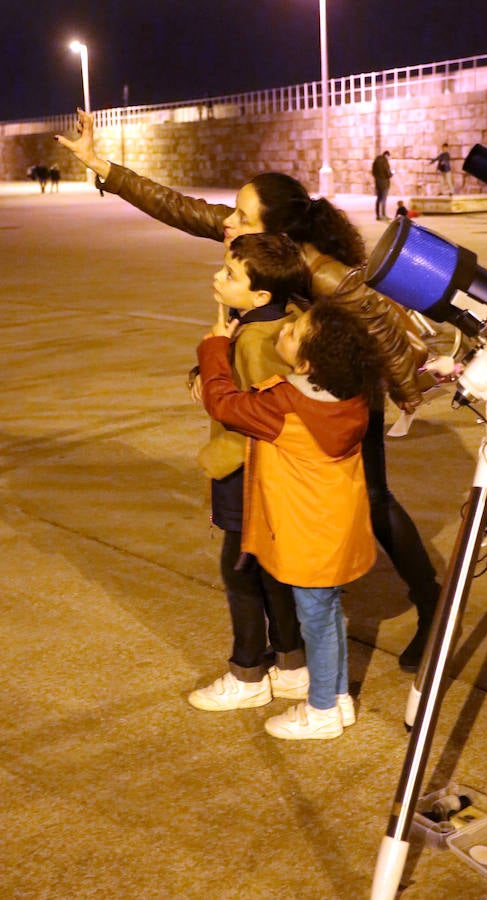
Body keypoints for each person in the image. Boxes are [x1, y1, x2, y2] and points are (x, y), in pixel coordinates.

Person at [56, 109, 441, 672]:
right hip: (288, 385)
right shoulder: (261, 247)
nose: (226, 222)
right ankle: (297, 626)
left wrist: (409, 391)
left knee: (374, 498)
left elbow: (381, 324)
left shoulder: (322, 271)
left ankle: (430, 600)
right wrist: (103, 168)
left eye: (240, 215)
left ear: (276, 233)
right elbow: (183, 209)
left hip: (341, 382)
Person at [198, 300, 383, 739]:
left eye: (295, 330)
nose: (284, 329)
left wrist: (214, 348)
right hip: (337, 526)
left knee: (316, 620)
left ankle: (319, 712)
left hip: (306, 532)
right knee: (329, 613)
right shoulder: (348, 395)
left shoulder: (286, 405)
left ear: (305, 361)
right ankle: (336, 697)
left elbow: (222, 404)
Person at [188, 233, 311, 711]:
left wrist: (213, 353)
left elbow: (254, 411)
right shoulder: (277, 322)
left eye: (230, 274)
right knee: (268, 569)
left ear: (261, 295)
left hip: (247, 468)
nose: (218, 277)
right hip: (269, 471)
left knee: (239, 571)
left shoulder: (257, 337)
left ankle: (247, 672)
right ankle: (291, 663)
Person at [372, 150, 392, 220]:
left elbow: (373, 172)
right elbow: (387, 173)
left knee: (378, 199)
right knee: (384, 199)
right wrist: (391, 174)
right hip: (384, 183)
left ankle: (378, 215)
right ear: (386, 155)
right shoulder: (385, 162)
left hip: (378, 183)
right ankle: (383, 215)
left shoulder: (376, 161)